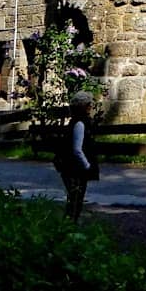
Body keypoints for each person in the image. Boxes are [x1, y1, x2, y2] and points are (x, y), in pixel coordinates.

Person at [54, 90, 99, 220]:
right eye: (89, 104)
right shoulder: (79, 123)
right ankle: (69, 227)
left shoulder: (77, 121)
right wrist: (87, 165)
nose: (91, 107)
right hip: (74, 169)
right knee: (75, 201)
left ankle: (69, 226)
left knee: (75, 200)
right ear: (83, 106)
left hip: (73, 168)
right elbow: (77, 149)